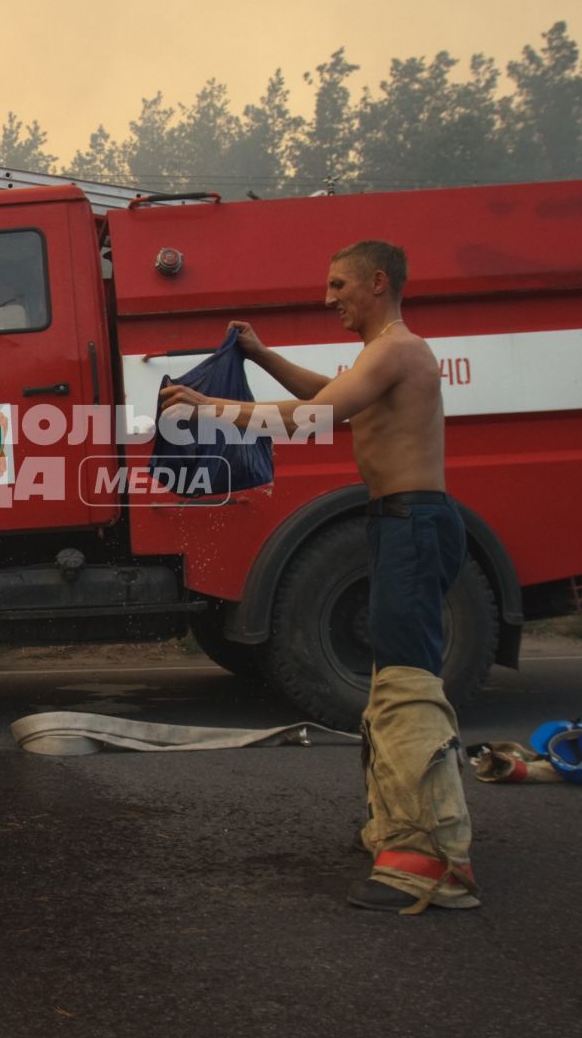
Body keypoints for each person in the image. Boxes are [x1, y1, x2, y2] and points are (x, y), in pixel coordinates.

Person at [159, 239, 479, 914]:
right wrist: (262, 355)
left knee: (408, 686)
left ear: (378, 282)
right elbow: (328, 394)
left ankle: (431, 862)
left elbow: (318, 416)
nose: (328, 297)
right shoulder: (381, 354)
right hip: (401, 523)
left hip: (413, 524)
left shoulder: (396, 349)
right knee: (394, 679)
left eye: (339, 285)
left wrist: (206, 409)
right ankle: (404, 830)